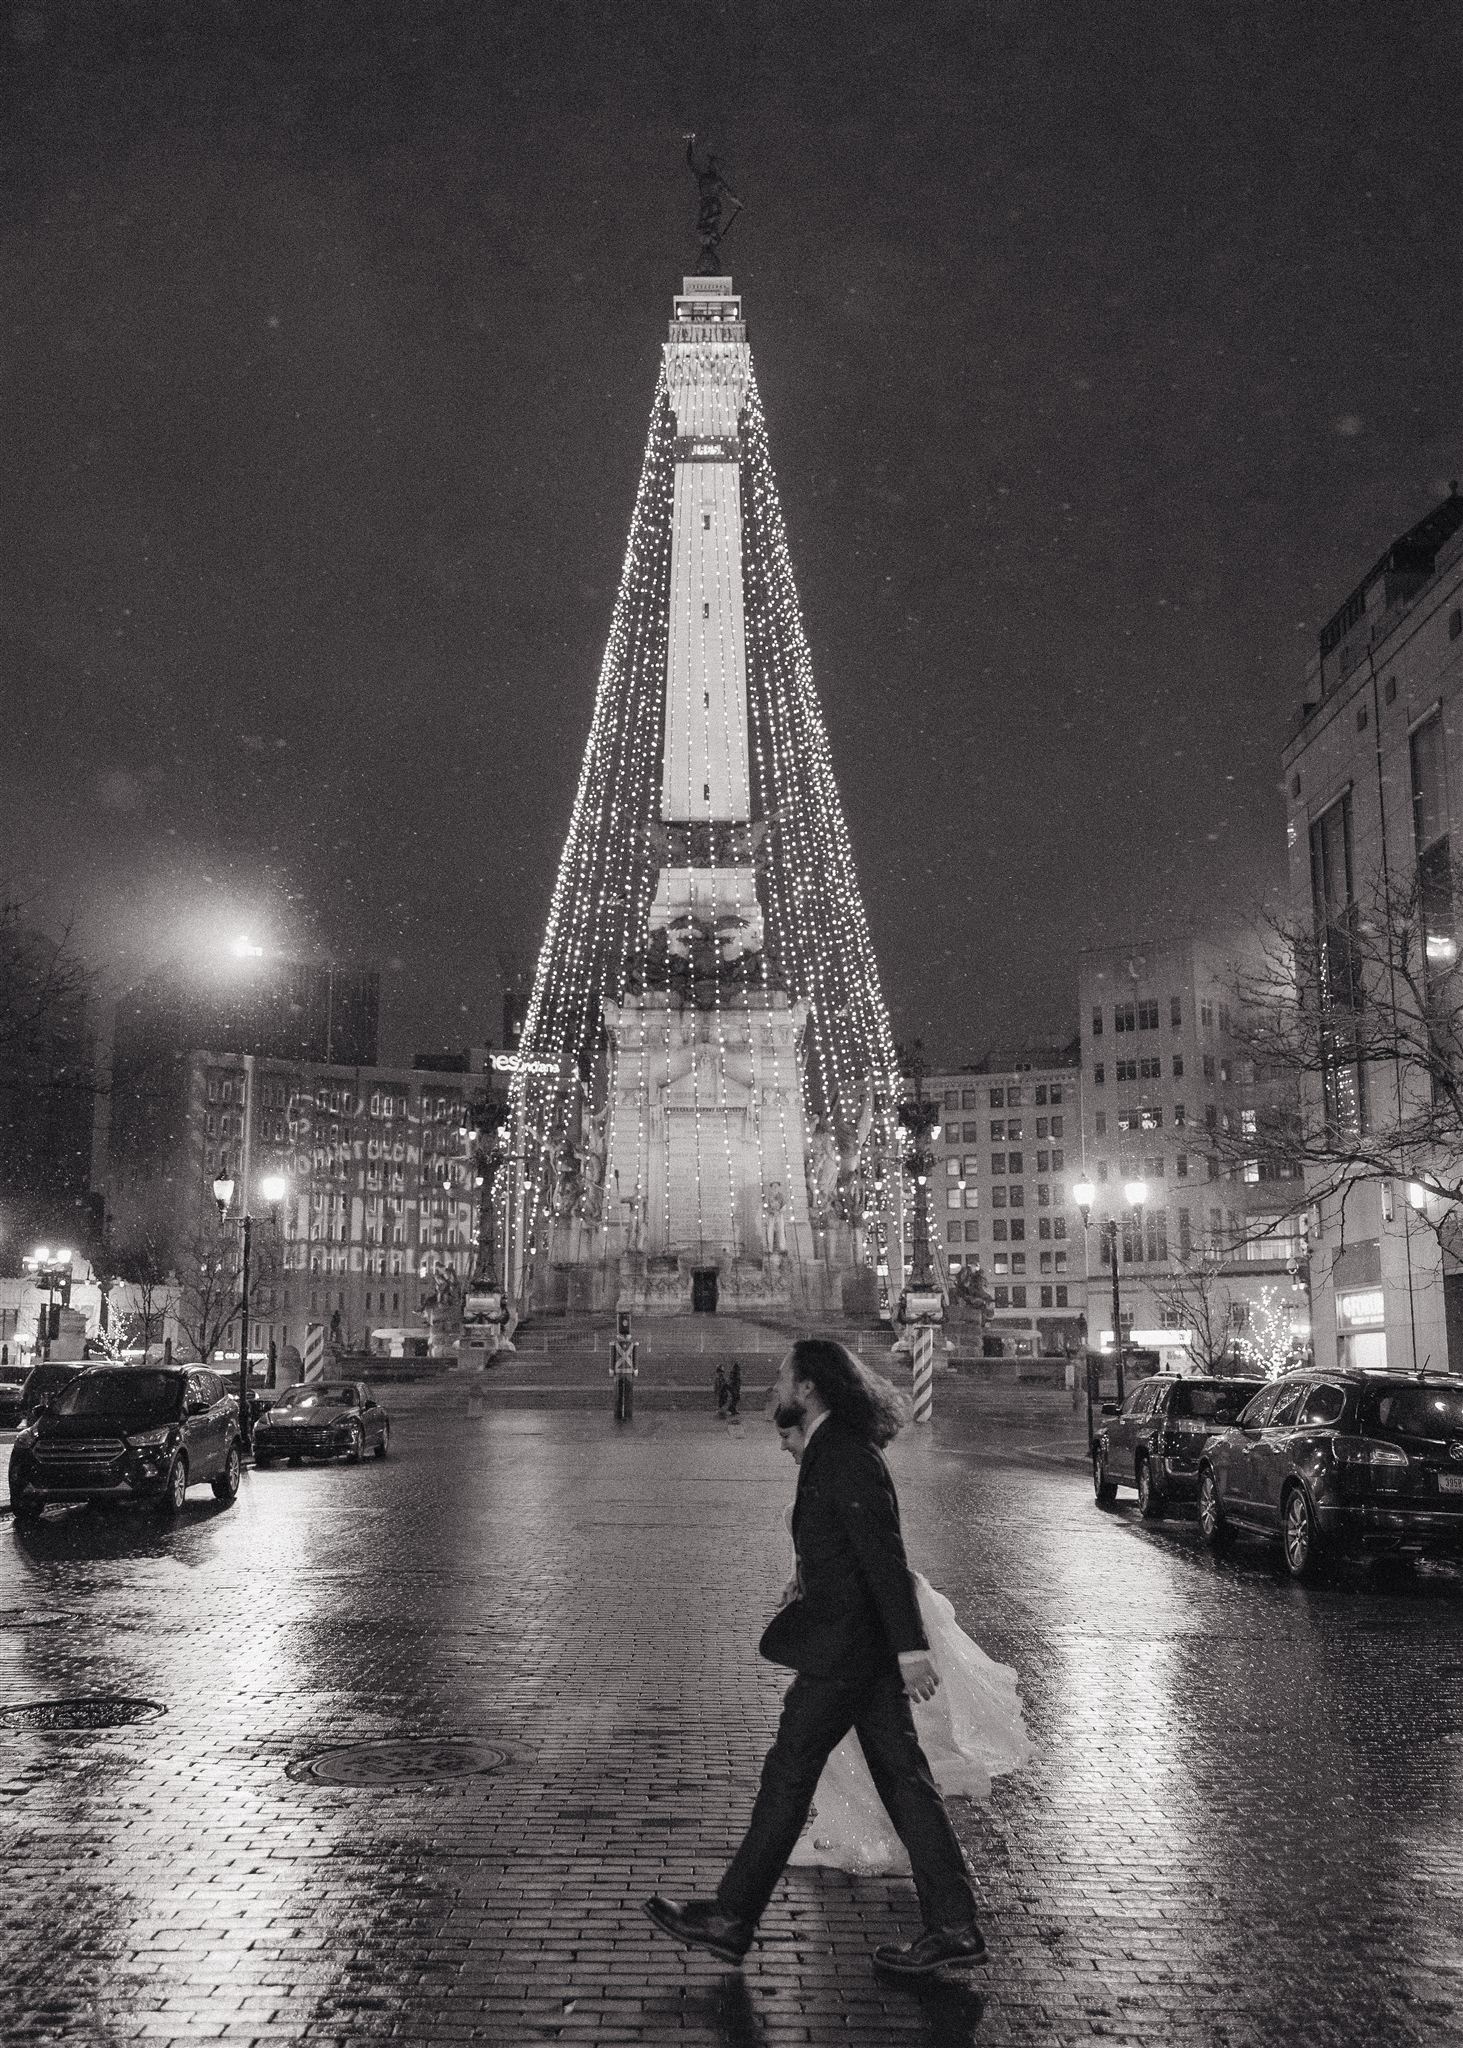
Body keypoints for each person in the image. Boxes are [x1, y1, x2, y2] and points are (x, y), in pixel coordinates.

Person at [645, 1338, 991, 1976]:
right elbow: (845, 1545)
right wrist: (808, 1577)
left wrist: (912, 1648)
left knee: (790, 1774)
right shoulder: (834, 1449)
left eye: (782, 1381)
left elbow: (884, 1557)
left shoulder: (844, 1453)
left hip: (848, 1651)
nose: (774, 1392)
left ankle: (731, 1917)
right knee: (902, 1783)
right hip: (853, 1644)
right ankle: (953, 1924)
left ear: (808, 1389)